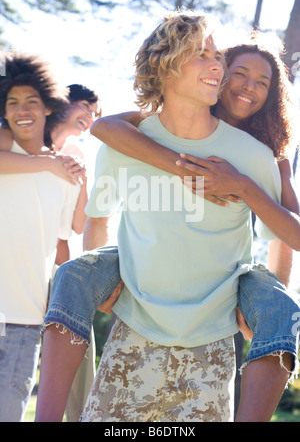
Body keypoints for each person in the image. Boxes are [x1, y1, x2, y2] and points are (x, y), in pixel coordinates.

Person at [35, 27, 300, 422]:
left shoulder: (263, 156)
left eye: (263, 82)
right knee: (74, 275)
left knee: (281, 309)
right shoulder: (152, 128)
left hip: (225, 286)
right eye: (239, 73)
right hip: (145, 281)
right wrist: (185, 169)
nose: (249, 87)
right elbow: (105, 129)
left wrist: (241, 186)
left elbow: (286, 235)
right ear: (218, 73)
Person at [0, 51, 81, 422]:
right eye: (12, 102)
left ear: (48, 107)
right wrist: (47, 162)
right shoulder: (7, 151)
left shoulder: (62, 172)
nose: (22, 110)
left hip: (25, 323)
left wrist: (81, 174)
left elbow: (76, 227)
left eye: (31, 101)